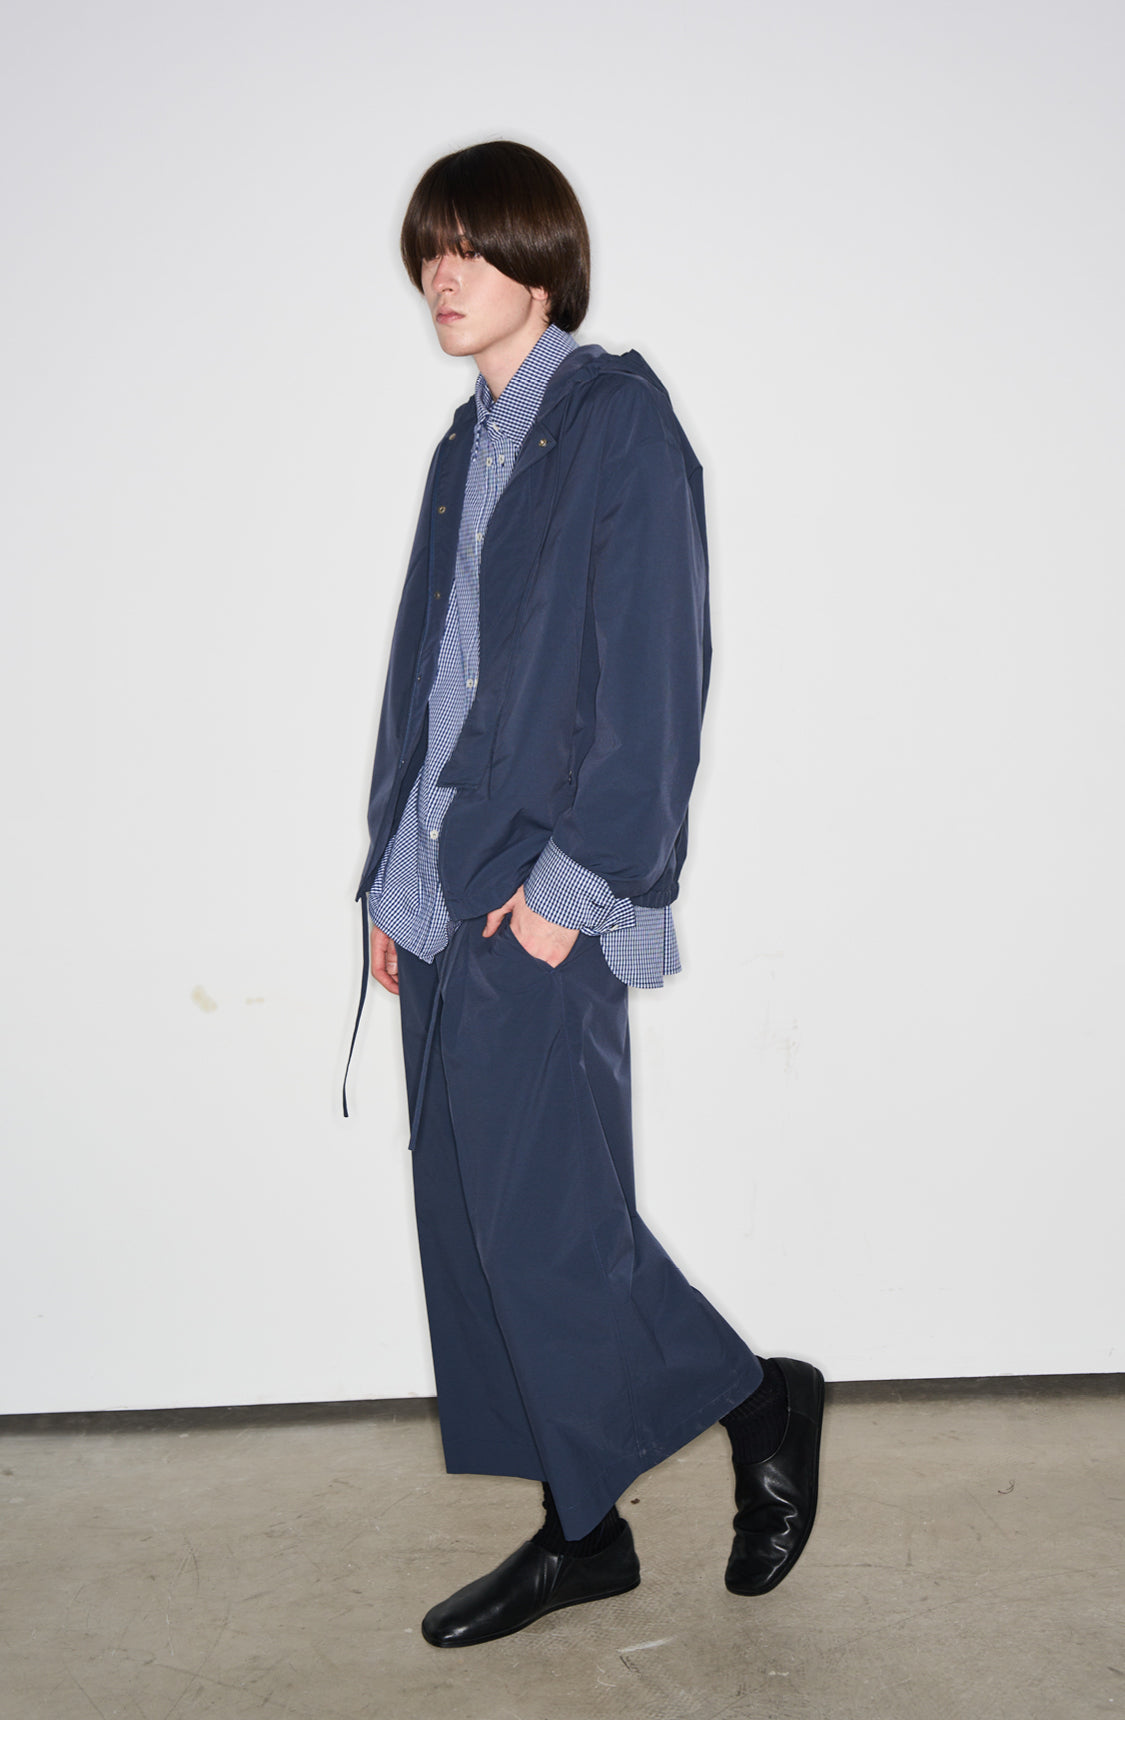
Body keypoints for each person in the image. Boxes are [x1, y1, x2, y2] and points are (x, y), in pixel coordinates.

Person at [348, 140, 824, 1648]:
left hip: (537, 893)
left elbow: (658, 679)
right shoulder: (462, 448)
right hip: (441, 894)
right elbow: (428, 685)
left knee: (550, 1227)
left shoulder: (617, 422)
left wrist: (578, 883)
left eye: (472, 247)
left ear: (542, 266)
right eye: (430, 249)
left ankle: (761, 1401)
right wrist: (388, 882)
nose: (443, 275)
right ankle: (586, 1531)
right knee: (480, 1228)